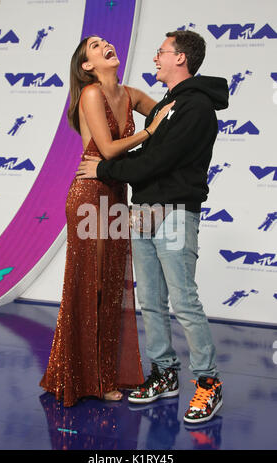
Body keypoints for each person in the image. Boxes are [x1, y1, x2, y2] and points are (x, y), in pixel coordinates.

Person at [76, 30, 229, 424]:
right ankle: (164, 373)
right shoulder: (168, 104)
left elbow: (158, 161)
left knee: (184, 301)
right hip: (144, 209)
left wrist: (107, 168)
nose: (155, 58)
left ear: (180, 58)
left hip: (175, 211)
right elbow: (150, 151)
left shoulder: (194, 108)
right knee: (151, 301)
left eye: (162, 52)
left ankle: (208, 383)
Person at [40, 35, 173, 407]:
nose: (105, 46)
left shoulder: (129, 93)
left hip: (116, 195)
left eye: (104, 42)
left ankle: (101, 372)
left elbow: (166, 107)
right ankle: (88, 379)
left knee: (113, 284)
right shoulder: (92, 95)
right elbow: (110, 149)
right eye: (95, 48)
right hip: (89, 197)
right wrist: (150, 131)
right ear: (87, 66)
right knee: (92, 285)